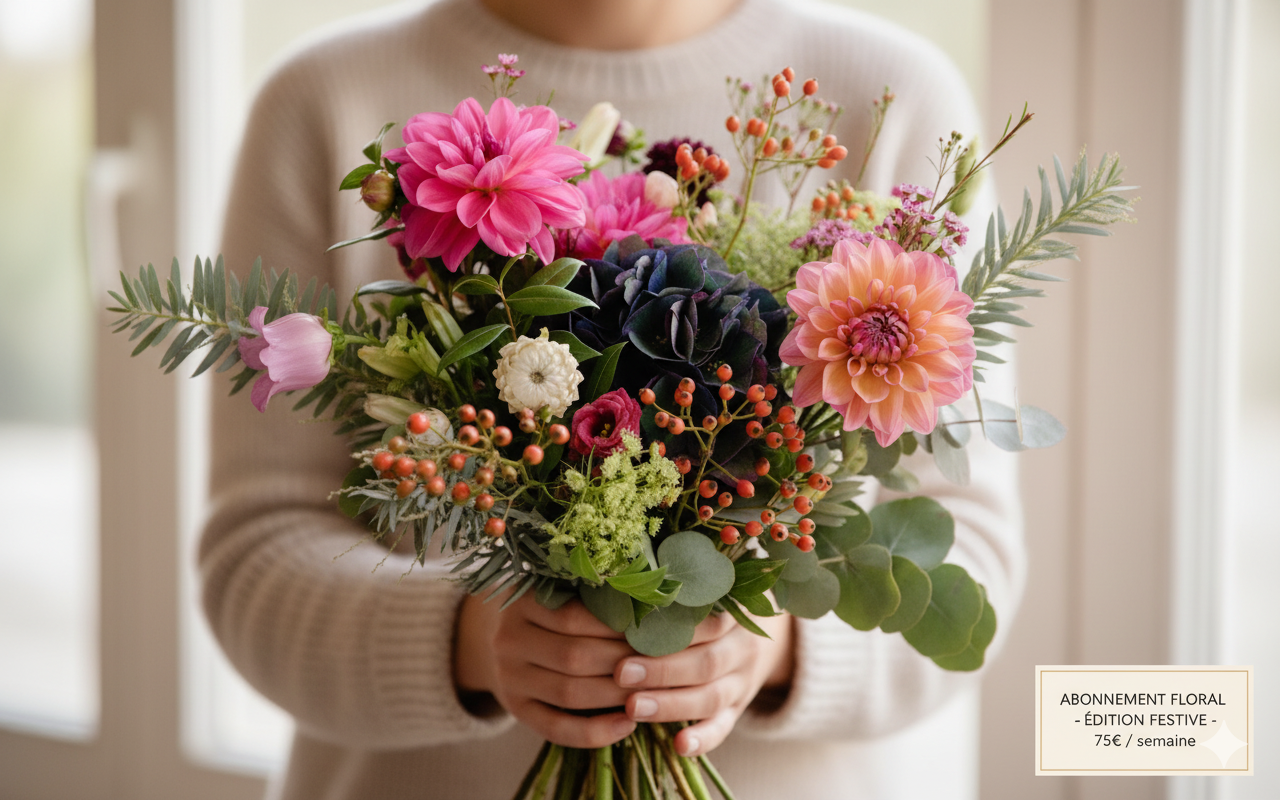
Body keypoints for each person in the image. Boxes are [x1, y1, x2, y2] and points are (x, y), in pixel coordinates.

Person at [201, 0, 1025, 797]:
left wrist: (774, 650)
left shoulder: (895, 96)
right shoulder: (324, 99)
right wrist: (469, 643)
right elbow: (254, 555)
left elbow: (969, 553)